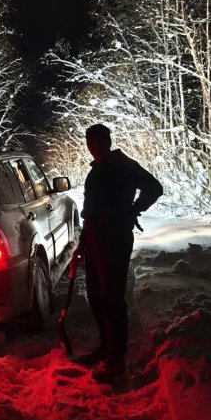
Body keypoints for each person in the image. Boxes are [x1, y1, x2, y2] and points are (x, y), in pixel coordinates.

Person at [73, 123, 163, 379]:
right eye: (91, 142)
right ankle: (107, 346)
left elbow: (154, 188)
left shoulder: (123, 165)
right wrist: (83, 242)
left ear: (109, 141)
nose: (95, 147)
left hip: (114, 238)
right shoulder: (97, 169)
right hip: (94, 239)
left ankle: (117, 359)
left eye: (100, 141)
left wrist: (133, 210)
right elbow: (91, 211)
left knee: (111, 297)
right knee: (95, 295)